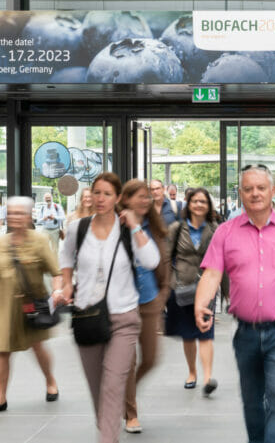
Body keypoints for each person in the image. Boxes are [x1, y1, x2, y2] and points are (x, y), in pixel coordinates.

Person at [194, 164, 275, 443]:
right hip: (246, 334)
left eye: (261, 188)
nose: (255, 194)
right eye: (249, 189)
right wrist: (201, 304)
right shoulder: (226, 232)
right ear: (240, 194)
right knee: (252, 404)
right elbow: (212, 273)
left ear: (273, 191)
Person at [55, 172, 160, 443]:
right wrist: (66, 284)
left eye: (107, 194)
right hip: (87, 317)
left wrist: (136, 226)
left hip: (123, 317)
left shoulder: (126, 229)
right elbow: (65, 258)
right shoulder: (78, 228)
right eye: (96, 192)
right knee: (97, 389)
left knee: (113, 385)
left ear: (117, 199)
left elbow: (151, 261)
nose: (100, 199)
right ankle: (109, 434)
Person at [0, 197, 61, 413]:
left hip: (30, 306)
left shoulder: (40, 240)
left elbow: (56, 271)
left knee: (37, 347)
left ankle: (50, 381)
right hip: (4, 307)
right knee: (3, 351)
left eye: (19, 213)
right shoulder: (2, 243)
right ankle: (0, 397)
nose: (14, 217)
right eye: (11, 213)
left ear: (28, 216)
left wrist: (57, 290)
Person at [119, 180, 171, 434]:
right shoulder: (114, 225)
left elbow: (162, 261)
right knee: (128, 361)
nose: (146, 200)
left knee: (150, 358)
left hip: (149, 298)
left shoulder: (155, 226)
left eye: (148, 196)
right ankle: (131, 414)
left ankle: (123, 394)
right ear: (126, 199)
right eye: (140, 196)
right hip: (123, 302)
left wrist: (163, 293)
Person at [167, 188, 220, 396]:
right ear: (188, 204)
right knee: (188, 334)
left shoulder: (215, 229)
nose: (199, 205)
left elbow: (222, 261)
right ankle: (192, 373)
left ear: (209, 206)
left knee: (206, 332)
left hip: (207, 286)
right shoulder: (177, 229)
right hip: (182, 286)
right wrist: (165, 288)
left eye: (203, 202)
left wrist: (227, 291)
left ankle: (208, 377)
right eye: (195, 201)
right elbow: (166, 258)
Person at [38, 192, 66, 258]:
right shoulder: (42, 208)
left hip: (55, 230)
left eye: (49, 197)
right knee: (43, 248)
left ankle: (55, 265)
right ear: (44, 199)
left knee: (55, 249)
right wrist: (43, 219)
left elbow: (63, 217)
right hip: (45, 230)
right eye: (46, 198)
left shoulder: (57, 206)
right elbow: (38, 220)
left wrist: (54, 217)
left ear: (52, 198)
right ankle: (46, 264)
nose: (48, 199)